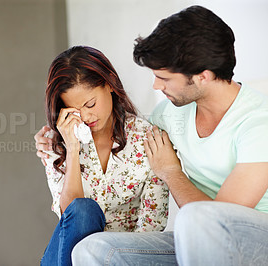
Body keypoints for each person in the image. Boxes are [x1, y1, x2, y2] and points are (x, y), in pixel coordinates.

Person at [36, 5, 268, 266]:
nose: (156, 86)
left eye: (164, 78)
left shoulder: (259, 122)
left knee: (196, 218)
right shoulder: (168, 116)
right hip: (194, 238)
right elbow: (129, 131)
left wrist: (171, 172)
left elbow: (222, 218)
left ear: (202, 77)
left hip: (256, 238)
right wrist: (56, 140)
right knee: (94, 248)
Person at [37, 46, 169, 266]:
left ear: (109, 83)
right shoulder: (56, 143)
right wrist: (72, 148)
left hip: (122, 257)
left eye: (90, 104)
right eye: (75, 110)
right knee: (82, 209)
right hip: (67, 259)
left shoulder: (147, 138)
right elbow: (70, 219)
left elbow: (151, 228)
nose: (87, 116)